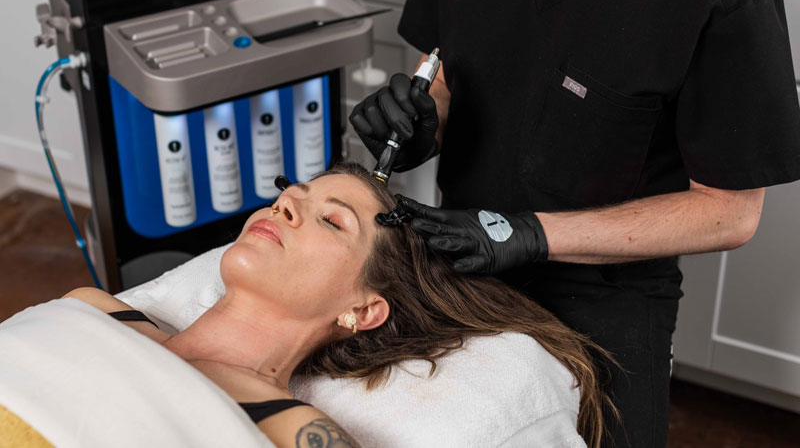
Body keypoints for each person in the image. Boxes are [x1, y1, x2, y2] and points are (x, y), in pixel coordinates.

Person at [348, 0, 800, 446]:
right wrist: (425, 121)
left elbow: (729, 212)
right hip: (456, 264)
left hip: (604, 296)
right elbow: (446, 67)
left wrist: (529, 234)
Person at [64, 163, 614, 448]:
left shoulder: (295, 433)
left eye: (332, 220)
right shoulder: (93, 310)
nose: (286, 205)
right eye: (292, 193)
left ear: (363, 310)